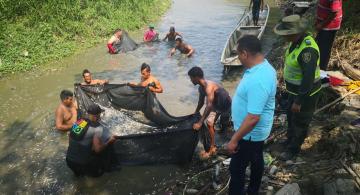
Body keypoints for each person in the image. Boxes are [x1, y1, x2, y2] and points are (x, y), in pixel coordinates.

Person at [226, 35, 277, 195]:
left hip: (249, 134)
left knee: (236, 168)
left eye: (238, 54)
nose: (238, 57)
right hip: (256, 134)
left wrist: (234, 140)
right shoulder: (265, 66)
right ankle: (253, 190)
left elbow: (253, 118)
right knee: (256, 158)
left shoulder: (258, 79)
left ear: (245, 54)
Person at [274, 15, 322, 160]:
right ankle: (289, 140)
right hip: (292, 90)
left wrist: (299, 101)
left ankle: (293, 150)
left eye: (286, 34)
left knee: (300, 121)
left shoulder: (308, 50)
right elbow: (291, 62)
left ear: (294, 33)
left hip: (306, 94)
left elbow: (308, 79)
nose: (284, 37)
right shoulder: (295, 42)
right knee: (290, 116)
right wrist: (284, 77)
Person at [188, 67, 231, 159]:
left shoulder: (208, 87)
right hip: (216, 104)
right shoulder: (201, 88)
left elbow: (209, 105)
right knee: (210, 123)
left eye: (191, 78)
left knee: (224, 126)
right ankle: (213, 146)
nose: (190, 80)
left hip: (225, 103)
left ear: (196, 77)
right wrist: (195, 113)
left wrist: (200, 122)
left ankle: (216, 146)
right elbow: (201, 102)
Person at [66, 104, 117, 177]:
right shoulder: (97, 128)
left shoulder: (79, 122)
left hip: (69, 160)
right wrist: (109, 141)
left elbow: (71, 137)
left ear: (88, 114)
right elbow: (97, 150)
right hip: (83, 163)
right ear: (98, 116)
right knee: (95, 178)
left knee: (78, 176)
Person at [315, 0, 343, 70]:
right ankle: (319, 68)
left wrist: (322, 24)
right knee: (320, 46)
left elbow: (334, 12)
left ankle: (321, 71)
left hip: (329, 27)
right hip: (324, 25)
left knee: (324, 50)